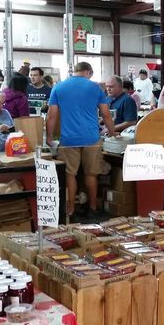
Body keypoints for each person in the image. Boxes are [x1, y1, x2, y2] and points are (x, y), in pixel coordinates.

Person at [46, 61, 117, 220]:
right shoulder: (95, 88)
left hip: (69, 139)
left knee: (70, 175)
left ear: (75, 72)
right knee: (91, 174)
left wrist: (49, 137)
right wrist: (112, 133)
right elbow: (106, 114)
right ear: (89, 72)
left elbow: (52, 116)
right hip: (91, 138)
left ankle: (71, 209)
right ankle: (92, 208)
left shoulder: (58, 87)